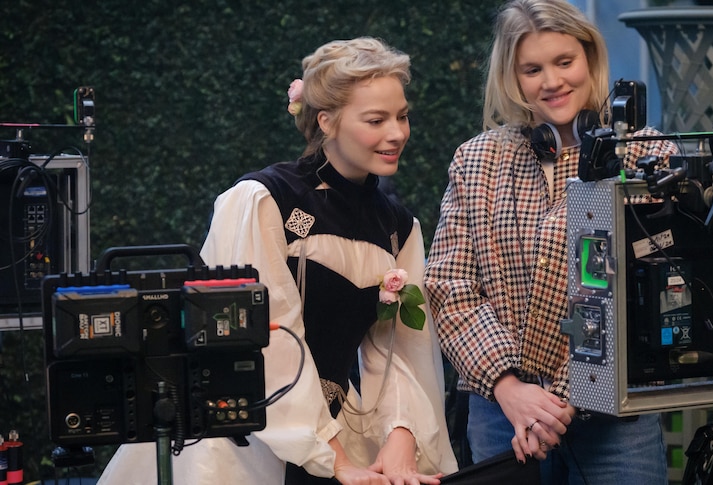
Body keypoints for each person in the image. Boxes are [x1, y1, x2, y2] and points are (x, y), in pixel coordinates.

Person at [98, 37, 457, 485]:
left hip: (337, 435)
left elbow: (402, 352)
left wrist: (401, 437)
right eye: (376, 120)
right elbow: (265, 341)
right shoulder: (264, 200)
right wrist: (333, 458)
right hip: (241, 440)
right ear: (326, 121)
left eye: (402, 116)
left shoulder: (398, 226)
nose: (397, 133)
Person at [423, 1, 678, 484]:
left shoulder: (644, 153)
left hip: (614, 417)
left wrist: (559, 400)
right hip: (502, 413)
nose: (552, 81)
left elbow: (637, 292)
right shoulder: (477, 160)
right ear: (512, 77)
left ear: (590, 59)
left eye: (565, 62)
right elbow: (448, 286)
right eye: (533, 69)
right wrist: (509, 388)